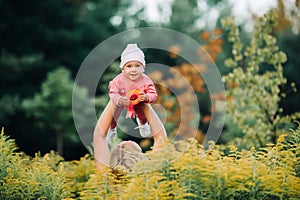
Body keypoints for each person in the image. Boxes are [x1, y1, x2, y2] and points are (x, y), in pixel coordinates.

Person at [106, 43, 158, 142]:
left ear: (143, 68)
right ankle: (112, 129)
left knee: (142, 114)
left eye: (137, 66)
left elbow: (153, 94)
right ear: (123, 69)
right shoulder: (118, 80)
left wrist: (146, 97)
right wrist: (120, 99)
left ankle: (142, 123)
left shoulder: (145, 80)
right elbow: (112, 92)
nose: (133, 69)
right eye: (129, 66)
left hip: (138, 101)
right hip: (122, 101)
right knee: (113, 116)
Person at [93, 102, 167, 171]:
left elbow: (99, 135)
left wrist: (115, 99)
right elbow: (160, 136)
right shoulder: (151, 177)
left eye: (119, 147)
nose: (128, 140)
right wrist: (143, 102)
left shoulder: (106, 180)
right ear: (141, 158)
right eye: (131, 144)